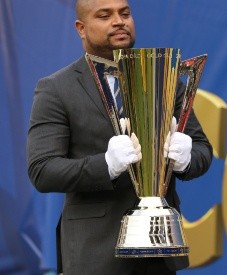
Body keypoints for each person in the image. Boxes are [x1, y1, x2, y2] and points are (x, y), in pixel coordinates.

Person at [26, 0, 213, 274]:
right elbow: (42, 170)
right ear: (81, 28)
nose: (119, 21)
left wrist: (186, 160)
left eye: (125, 13)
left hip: (159, 251)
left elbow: (203, 151)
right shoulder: (55, 89)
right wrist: (106, 166)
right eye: (105, 15)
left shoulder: (164, 78)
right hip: (96, 255)